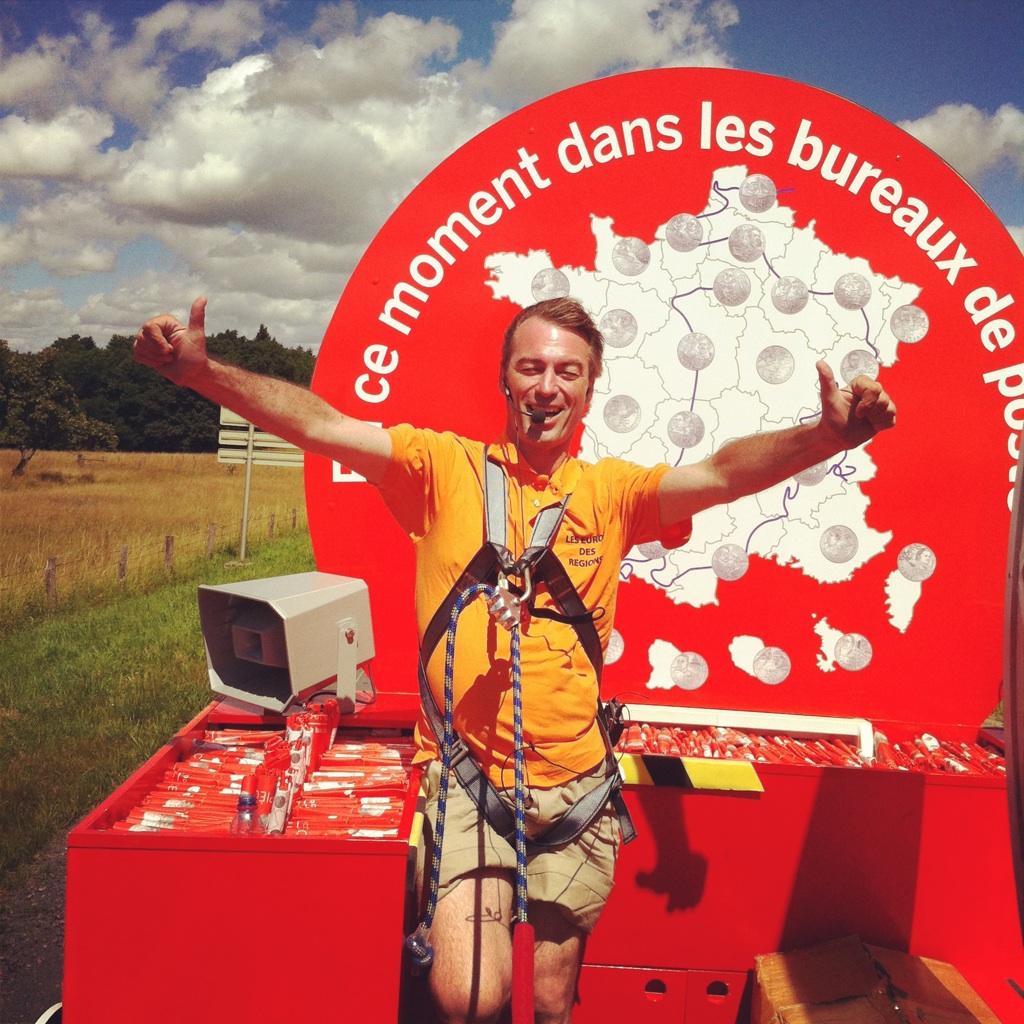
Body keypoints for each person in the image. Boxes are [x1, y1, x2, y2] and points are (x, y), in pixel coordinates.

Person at [134, 295, 896, 1024]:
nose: (546, 386)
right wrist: (204, 375)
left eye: (568, 371)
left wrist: (824, 438)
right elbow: (325, 426)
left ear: (589, 389)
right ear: (505, 379)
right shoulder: (440, 469)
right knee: (470, 996)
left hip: (577, 786)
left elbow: (723, 474)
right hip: (471, 779)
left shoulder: (613, 494)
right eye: (531, 367)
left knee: (553, 998)